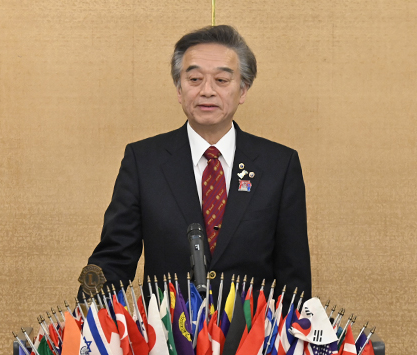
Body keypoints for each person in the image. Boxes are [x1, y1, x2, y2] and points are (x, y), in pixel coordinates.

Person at [83, 25, 311, 304]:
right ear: (179, 89)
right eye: (194, 79)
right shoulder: (143, 161)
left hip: (250, 330)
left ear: (243, 90)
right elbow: (115, 259)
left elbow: (293, 276)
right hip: (168, 329)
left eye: (222, 80)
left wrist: (295, 330)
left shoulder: (279, 165)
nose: (207, 91)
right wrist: (87, 316)